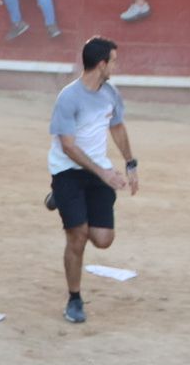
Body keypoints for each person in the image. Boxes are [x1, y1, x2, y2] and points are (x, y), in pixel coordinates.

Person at [45, 36, 136, 326]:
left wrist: (130, 163)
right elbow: (69, 146)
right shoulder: (68, 98)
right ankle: (74, 298)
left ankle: (58, 198)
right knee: (78, 235)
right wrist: (105, 173)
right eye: (113, 61)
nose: (115, 66)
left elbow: (118, 127)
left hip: (98, 170)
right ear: (101, 64)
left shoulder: (110, 93)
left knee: (103, 239)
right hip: (68, 171)